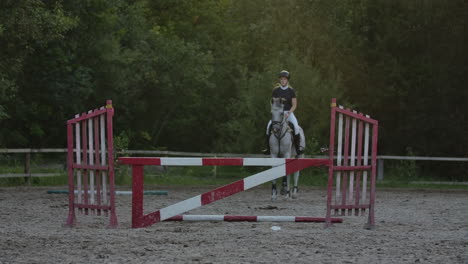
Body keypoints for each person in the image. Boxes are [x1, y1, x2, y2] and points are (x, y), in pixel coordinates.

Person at [264, 70, 303, 155]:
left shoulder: (291, 91)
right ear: (280, 80)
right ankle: (267, 148)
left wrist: (289, 112)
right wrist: (275, 111)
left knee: (296, 127)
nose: (283, 81)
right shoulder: (276, 91)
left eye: (284, 79)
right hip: (278, 114)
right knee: (268, 127)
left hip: (288, 112)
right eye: (281, 79)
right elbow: (274, 104)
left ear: (287, 80)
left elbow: (294, 105)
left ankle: (298, 148)